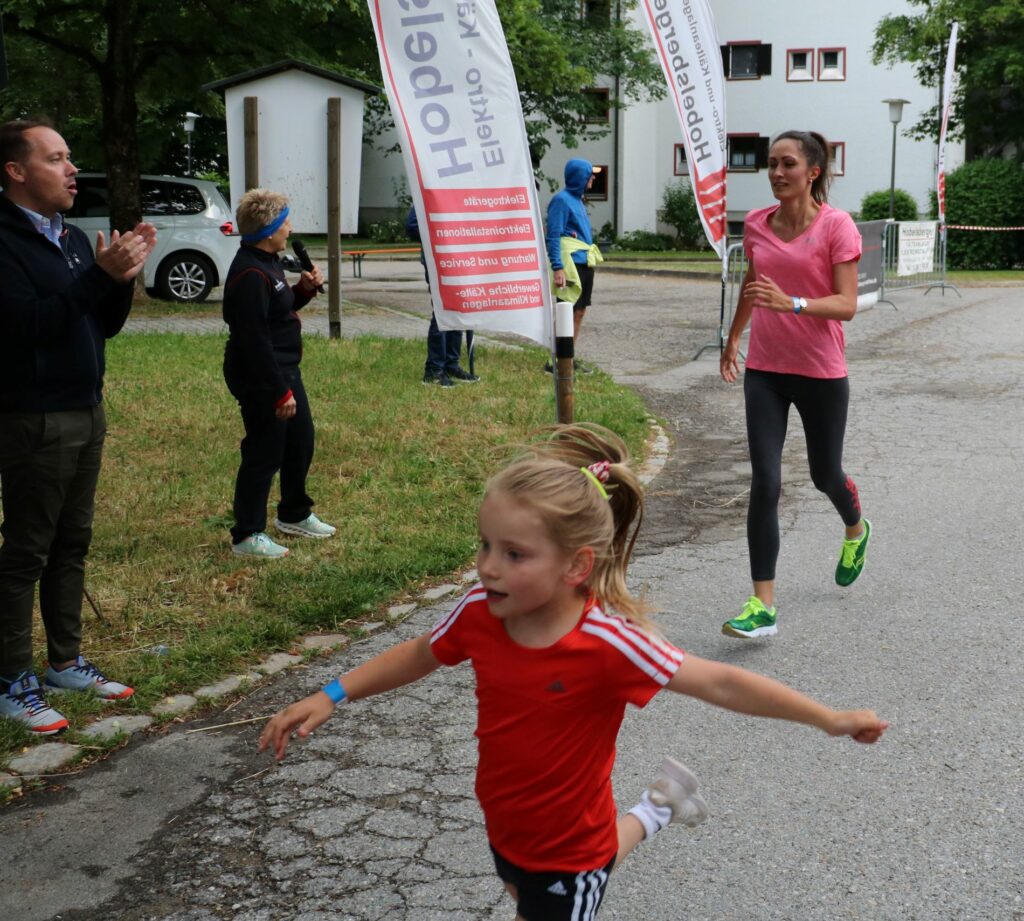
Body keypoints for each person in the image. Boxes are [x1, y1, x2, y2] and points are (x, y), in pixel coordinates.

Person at [260, 423, 887, 921]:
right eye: (484, 544)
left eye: (514, 553)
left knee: (563, 888)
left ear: (576, 566)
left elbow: (719, 681)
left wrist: (827, 718)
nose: (488, 567)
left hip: (570, 852)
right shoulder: (481, 611)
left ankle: (655, 810)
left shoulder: (608, 643)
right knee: (522, 890)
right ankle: (661, 805)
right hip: (507, 825)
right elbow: (424, 651)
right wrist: (332, 693)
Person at [0, 118, 156, 734]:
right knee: (28, 550)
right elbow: (27, 329)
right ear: (16, 171)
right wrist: (98, 276)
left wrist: (119, 279)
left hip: (86, 409)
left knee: (72, 542)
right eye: (56, 158)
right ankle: (12, 680)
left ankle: (64, 662)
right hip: (34, 416)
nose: (72, 169)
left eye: (69, 156)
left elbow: (98, 324)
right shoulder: (6, 240)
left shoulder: (65, 236)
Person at [720, 130, 870, 640]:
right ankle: (762, 605)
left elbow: (846, 304)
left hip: (821, 372)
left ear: (813, 172)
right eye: (771, 164)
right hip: (766, 371)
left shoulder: (836, 226)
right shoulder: (756, 224)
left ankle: (856, 528)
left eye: (787, 164)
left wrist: (795, 304)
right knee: (765, 481)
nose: (777, 173)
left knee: (825, 474)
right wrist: (734, 336)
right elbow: (754, 281)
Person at [222, 188, 334, 559]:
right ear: (269, 230)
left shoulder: (268, 261)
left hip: (283, 369)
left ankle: (294, 513)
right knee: (265, 450)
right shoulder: (250, 273)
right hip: (260, 374)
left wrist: (303, 289)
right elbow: (253, 339)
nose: (290, 228)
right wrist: (277, 391)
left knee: (300, 440)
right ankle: (247, 534)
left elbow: (279, 308)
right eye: (285, 223)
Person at [405, 205, 478, 387]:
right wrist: (441, 237)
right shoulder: (429, 192)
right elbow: (412, 225)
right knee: (442, 310)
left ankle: (451, 364)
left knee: (457, 308)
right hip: (438, 258)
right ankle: (434, 370)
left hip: (460, 259)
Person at [545, 158, 603, 376]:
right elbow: (554, 235)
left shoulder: (578, 200)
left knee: (579, 311)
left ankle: (568, 357)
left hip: (584, 263)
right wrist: (558, 267)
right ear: (580, 177)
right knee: (566, 312)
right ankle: (555, 361)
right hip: (570, 265)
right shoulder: (561, 201)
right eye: (589, 174)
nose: (593, 177)